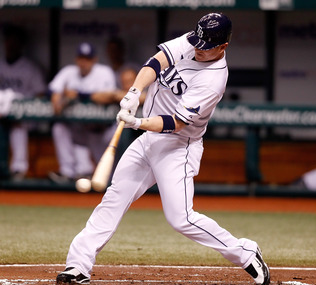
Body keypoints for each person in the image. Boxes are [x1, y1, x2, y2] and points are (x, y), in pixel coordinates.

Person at [56, 13, 270, 285]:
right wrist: (134, 91)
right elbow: (156, 62)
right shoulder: (193, 41)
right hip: (148, 141)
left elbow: (177, 123)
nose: (197, 48)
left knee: (182, 219)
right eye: (197, 42)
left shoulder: (213, 81)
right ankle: (78, 266)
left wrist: (138, 121)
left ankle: (245, 252)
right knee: (113, 199)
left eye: (205, 46)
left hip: (177, 148)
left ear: (223, 47)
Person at [48, 42, 117, 183]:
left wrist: (79, 95)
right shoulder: (68, 71)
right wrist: (59, 98)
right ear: (76, 59)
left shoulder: (104, 72)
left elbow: (109, 96)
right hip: (79, 130)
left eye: (87, 59)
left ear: (94, 60)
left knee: (107, 178)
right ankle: (68, 172)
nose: (83, 62)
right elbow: (53, 91)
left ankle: (96, 176)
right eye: (81, 58)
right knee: (59, 127)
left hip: (101, 130)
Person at [0, 24, 46, 181]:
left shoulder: (30, 67)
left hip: (26, 114)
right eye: (9, 41)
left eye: (15, 41)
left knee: (18, 126)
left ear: (21, 44)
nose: (11, 45)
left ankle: (18, 170)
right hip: (3, 113)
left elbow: (41, 94)